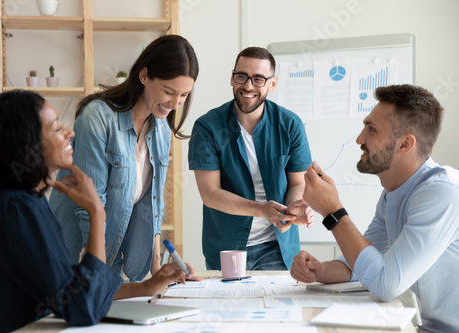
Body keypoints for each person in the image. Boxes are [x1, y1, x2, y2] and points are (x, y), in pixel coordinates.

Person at [0, 91, 197, 333]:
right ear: (25, 144)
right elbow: (83, 307)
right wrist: (96, 212)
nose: (69, 133)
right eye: (55, 128)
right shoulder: (16, 208)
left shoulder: (16, 201)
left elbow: (67, 283)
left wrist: (146, 287)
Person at [291, 84, 459, 332]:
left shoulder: (441, 193)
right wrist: (322, 271)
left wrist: (333, 212)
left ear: (405, 144)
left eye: (371, 130)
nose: (360, 139)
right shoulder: (393, 194)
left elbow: (384, 284)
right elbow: (364, 263)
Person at [49, 35, 199, 281]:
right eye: (169, 92)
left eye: (184, 95)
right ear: (143, 75)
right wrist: (93, 272)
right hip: (74, 256)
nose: (175, 104)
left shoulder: (160, 128)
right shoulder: (98, 118)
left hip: (109, 257)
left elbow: (154, 204)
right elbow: (91, 203)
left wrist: (157, 269)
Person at [188, 47, 314, 271]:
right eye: (241, 77)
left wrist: (293, 208)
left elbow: (298, 183)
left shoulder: (290, 125)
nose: (248, 86)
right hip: (226, 248)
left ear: (272, 84)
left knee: (277, 306)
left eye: (258, 79)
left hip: (277, 246)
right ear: (232, 78)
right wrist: (262, 210)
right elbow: (210, 195)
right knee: (228, 306)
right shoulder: (207, 127)